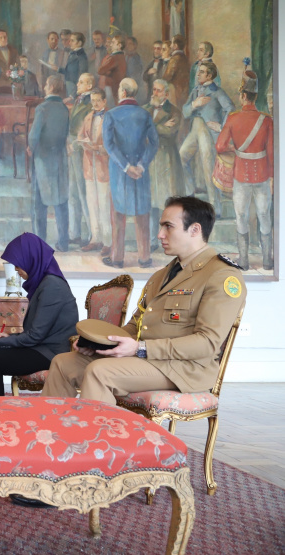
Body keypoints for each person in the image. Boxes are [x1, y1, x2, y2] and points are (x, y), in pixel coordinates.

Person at [43, 196, 247, 405]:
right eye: (161, 227)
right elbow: (135, 325)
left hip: (184, 368)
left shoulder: (221, 275)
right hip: (146, 359)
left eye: (168, 227)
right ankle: (53, 434)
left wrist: (141, 348)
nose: (160, 235)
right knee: (63, 363)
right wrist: (99, 345)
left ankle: (100, 437)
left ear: (194, 230)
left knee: (99, 371)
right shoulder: (161, 275)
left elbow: (207, 343)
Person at [0, 233, 78, 397]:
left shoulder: (52, 286)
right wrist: (7, 337)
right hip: (41, 348)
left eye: (19, 264)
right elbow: (38, 331)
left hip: (51, 353)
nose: (16, 269)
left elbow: (36, 335)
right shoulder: (45, 283)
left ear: (32, 259)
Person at [216, 71, 274, 271]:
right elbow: (271, 152)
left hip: (241, 174)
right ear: (255, 97)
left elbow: (220, 146)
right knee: (264, 214)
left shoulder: (233, 118)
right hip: (263, 175)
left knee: (241, 215)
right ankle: (267, 260)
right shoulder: (266, 120)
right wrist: (273, 177)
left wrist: (234, 148)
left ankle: (244, 260)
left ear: (242, 96)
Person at [102, 78, 160, 269]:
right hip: (141, 171)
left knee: (118, 213)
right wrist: (141, 166)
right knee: (142, 212)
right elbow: (153, 143)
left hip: (120, 170)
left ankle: (117, 258)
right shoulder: (145, 114)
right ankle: (144, 257)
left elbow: (109, 145)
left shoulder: (110, 115)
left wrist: (126, 166)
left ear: (123, 93)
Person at [180, 61, 233, 208]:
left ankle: (215, 207)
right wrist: (193, 105)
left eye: (201, 72)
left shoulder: (217, 91)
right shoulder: (196, 90)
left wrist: (221, 126)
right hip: (195, 129)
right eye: (198, 71)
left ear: (209, 75)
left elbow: (230, 108)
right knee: (181, 156)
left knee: (208, 166)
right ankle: (189, 194)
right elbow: (184, 112)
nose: (198, 74)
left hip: (208, 132)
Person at [28, 76, 71, 252]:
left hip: (43, 158)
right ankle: (63, 241)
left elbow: (33, 136)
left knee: (40, 202)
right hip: (59, 157)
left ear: (51, 86)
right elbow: (66, 132)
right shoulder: (64, 109)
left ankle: (40, 243)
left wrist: (31, 148)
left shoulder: (42, 108)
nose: (44, 86)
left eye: (46, 84)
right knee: (61, 200)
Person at [148, 79, 187, 243]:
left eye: (158, 90)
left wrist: (151, 127)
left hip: (167, 160)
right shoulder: (146, 110)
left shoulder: (174, 112)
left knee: (167, 202)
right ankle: (151, 240)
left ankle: (170, 240)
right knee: (151, 204)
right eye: (154, 89)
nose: (154, 93)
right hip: (150, 160)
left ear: (166, 93)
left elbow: (170, 132)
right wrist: (159, 127)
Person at [78, 88, 112, 255]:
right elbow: (81, 135)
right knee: (92, 203)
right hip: (89, 166)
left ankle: (108, 241)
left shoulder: (110, 118)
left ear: (105, 101)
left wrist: (98, 148)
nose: (95, 103)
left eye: (98, 100)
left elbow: (112, 143)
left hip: (103, 166)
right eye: (93, 100)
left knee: (104, 204)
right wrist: (84, 143)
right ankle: (95, 238)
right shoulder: (88, 117)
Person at [66, 73, 94, 250]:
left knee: (84, 193)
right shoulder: (79, 100)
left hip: (81, 151)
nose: (77, 84)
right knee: (73, 192)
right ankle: (74, 233)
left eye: (81, 82)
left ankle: (92, 235)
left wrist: (74, 144)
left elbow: (88, 131)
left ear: (89, 86)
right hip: (71, 148)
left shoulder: (91, 103)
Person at [162, 35, 190, 109]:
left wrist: (161, 82)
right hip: (184, 92)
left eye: (171, 44)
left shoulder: (175, 59)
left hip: (174, 92)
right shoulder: (185, 58)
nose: (170, 46)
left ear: (175, 46)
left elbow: (167, 76)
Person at [60, 32, 88, 98]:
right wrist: (58, 69)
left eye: (72, 41)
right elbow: (69, 71)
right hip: (69, 84)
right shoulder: (72, 53)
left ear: (79, 43)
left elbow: (82, 75)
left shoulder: (81, 56)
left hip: (75, 85)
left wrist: (73, 94)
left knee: (72, 103)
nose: (69, 43)